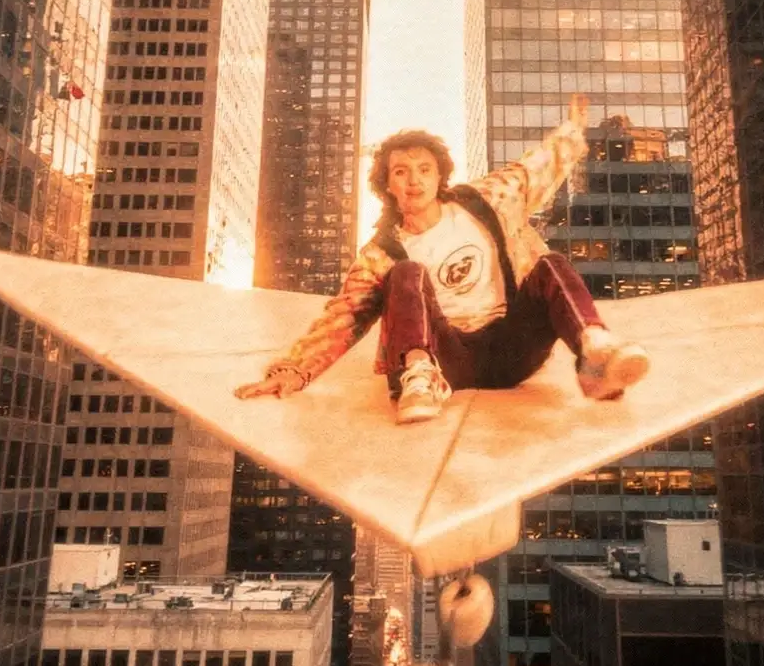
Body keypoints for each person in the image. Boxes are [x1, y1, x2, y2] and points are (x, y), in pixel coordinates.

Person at [236, 96, 649, 426]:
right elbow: (344, 315)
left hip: (512, 348)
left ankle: (594, 355)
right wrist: (293, 369)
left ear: (439, 176)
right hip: (447, 358)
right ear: (387, 184)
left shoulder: (484, 201)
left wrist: (572, 133)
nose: (413, 180)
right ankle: (418, 377)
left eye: (423, 169)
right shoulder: (381, 252)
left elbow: (531, 172)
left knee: (550, 265)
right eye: (400, 172)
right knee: (406, 273)